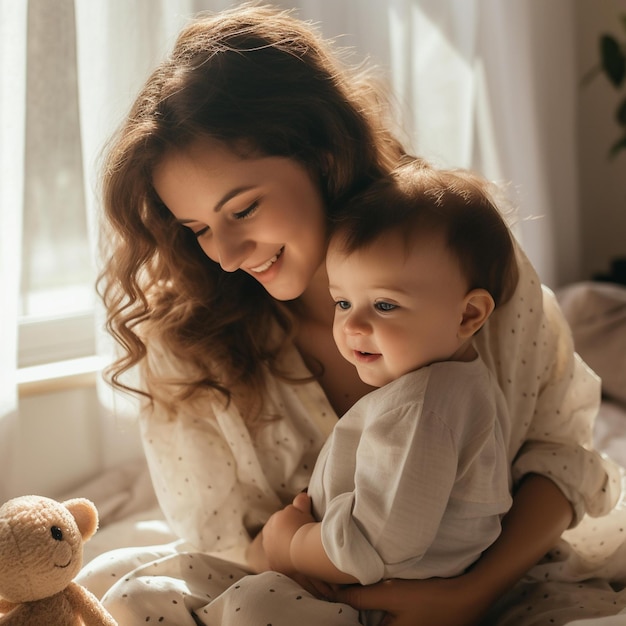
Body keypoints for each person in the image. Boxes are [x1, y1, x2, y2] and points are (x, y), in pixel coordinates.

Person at [76, 3, 626, 626]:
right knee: (111, 583)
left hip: (509, 580)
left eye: (244, 209)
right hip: (314, 599)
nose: (224, 255)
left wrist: (467, 596)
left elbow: (561, 452)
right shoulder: (183, 340)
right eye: (198, 227)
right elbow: (229, 548)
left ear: (322, 154)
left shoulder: (459, 258)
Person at [258, 158, 517, 626]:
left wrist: (291, 544)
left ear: (468, 316)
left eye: (384, 304)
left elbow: (376, 543)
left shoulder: (419, 409)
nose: (353, 324)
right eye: (343, 301)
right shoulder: (460, 384)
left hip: (380, 606)